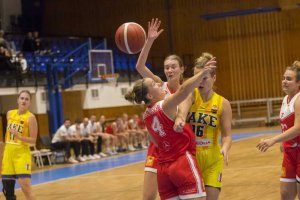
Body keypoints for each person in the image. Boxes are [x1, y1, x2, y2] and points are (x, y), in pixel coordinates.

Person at [125, 60, 216, 199]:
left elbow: (155, 142)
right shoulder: (164, 105)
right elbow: (184, 90)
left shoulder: (146, 116)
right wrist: (203, 73)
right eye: (154, 85)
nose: (158, 84)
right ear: (150, 95)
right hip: (181, 162)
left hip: (163, 170)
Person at [136, 18, 185, 200]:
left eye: (173, 67)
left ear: (181, 69)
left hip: (179, 148)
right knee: (148, 197)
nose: (170, 70)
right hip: (157, 148)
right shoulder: (159, 85)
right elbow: (140, 66)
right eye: (166, 67)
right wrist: (149, 40)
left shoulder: (187, 91)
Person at [174, 52, 232, 200]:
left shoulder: (223, 103)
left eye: (204, 77)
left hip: (213, 158)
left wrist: (225, 148)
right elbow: (182, 112)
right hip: (191, 157)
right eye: (197, 78)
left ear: (214, 78)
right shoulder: (190, 95)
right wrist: (180, 119)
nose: (200, 82)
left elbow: (226, 135)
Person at [257, 60, 300, 200]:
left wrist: (274, 140)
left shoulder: (299, 99)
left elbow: (298, 128)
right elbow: (286, 124)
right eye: (283, 78)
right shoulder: (285, 99)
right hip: (289, 153)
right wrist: (283, 141)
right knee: (285, 194)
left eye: (289, 79)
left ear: (298, 83)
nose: (284, 81)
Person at [1, 90, 38, 200]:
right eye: (22, 98)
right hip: (8, 154)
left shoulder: (30, 118)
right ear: (17, 100)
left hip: (21, 154)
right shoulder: (9, 114)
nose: (24, 101)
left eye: (26, 99)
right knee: (7, 190)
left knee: (25, 188)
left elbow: (33, 140)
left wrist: (19, 137)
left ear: (29, 102)